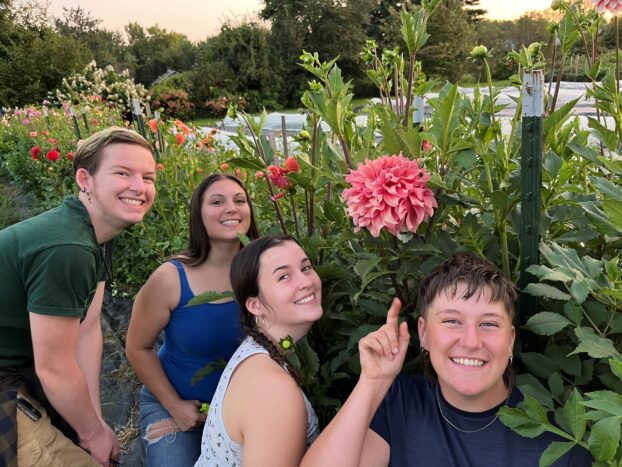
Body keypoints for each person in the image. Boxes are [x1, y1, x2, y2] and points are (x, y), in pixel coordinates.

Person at [301, 253, 593, 467]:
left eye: (489, 324)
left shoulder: (562, 440)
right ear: (424, 334)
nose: (470, 341)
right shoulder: (399, 403)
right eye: (452, 321)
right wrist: (373, 382)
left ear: (511, 340)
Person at [0, 127, 157, 467]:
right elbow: (54, 368)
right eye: (122, 173)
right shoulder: (67, 248)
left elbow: (87, 330)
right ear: (86, 179)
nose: (139, 187)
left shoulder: (97, 231)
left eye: (148, 177)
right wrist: (92, 437)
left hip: (17, 360)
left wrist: (94, 423)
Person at [125, 174, 259, 467]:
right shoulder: (171, 278)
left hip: (245, 411)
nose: (231, 208)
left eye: (239, 200)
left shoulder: (264, 270)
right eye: (217, 202)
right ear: (198, 214)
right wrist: (175, 406)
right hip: (179, 405)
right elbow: (137, 347)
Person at [194, 235, 322, 466]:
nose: (305, 281)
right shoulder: (271, 390)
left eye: (306, 267)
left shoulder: (256, 352)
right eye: (284, 276)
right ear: (255, 305)